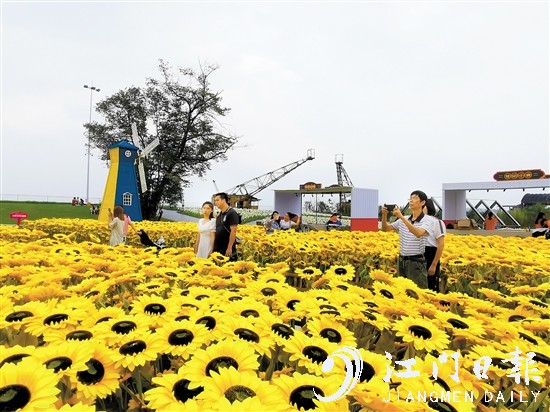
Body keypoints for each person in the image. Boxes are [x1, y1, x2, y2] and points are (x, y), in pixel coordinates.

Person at [381, 190, 433, 289]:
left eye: (415, 198)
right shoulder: (403, 219)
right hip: (402, 260)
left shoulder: (428, 220)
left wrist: (401, 217)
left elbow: (418, 233)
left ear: (423, 203)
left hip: (416, 262)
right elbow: (385, 229)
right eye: (410, 198)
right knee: (401, 291)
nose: (411, 200)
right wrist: (384, 215)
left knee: (418, 293)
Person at [423, 198, 446, 293]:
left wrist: (434, 265)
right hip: (418, 254)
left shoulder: (437, 222)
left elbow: (441, 244)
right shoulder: (416, 221)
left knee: (430, 287)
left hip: (430, 254)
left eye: (422, 206)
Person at [213, 192, 239, 261]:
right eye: (215, 201)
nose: (215, 202)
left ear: (224, 200)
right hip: (218, 248)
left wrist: (229, 247)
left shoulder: (232, 213)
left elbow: (233, 231)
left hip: (226, 248)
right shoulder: (220, 214)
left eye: (217, 200)